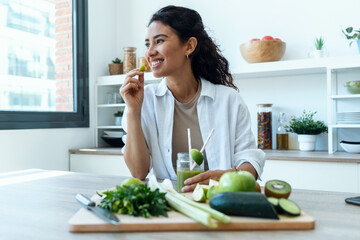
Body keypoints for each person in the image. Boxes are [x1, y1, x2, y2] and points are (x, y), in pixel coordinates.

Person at [120, 5, 265, 192]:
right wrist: (133, 110)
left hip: (218, 201)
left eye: (159, 41)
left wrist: (228, 176)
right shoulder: (144, 100)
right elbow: (138, 172)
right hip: (170, 205)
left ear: (189, 46)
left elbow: (250, 160)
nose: (149, 52)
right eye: (148, 44)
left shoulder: (229, 100)